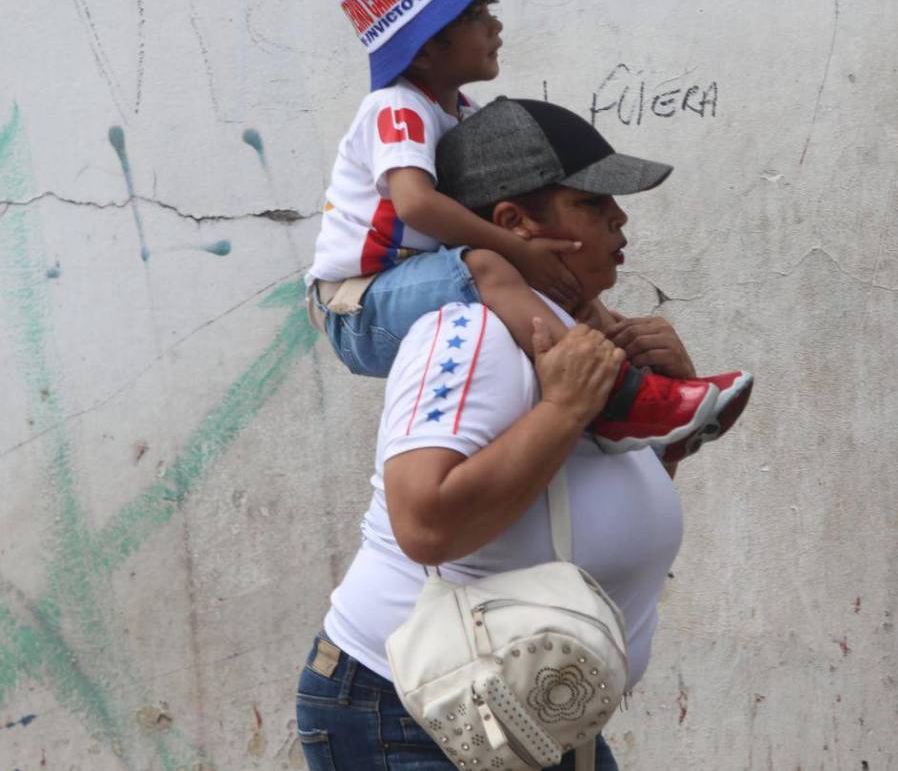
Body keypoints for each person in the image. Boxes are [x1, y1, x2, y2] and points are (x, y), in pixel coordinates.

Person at [295, 98, 753, 769]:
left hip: (527, 705)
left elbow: (574, 497)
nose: (620, 219)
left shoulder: (568, 335)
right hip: (418, 713)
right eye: (594, 204)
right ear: (512, 222)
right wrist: (565, 408)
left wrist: (667, 439)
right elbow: (423, 525)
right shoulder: (470, 334)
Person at [305, 0, 750, 459]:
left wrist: (560, 283)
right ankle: (619, 400)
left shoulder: (460, 114)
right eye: (474, 15)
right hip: (359, 307)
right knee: (491, 266)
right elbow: (415, 204)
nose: (494, 26)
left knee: (517, 266)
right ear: (424, 51)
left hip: (413, 284)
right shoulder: (397, 106)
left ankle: (638, 369)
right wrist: (515, 250)